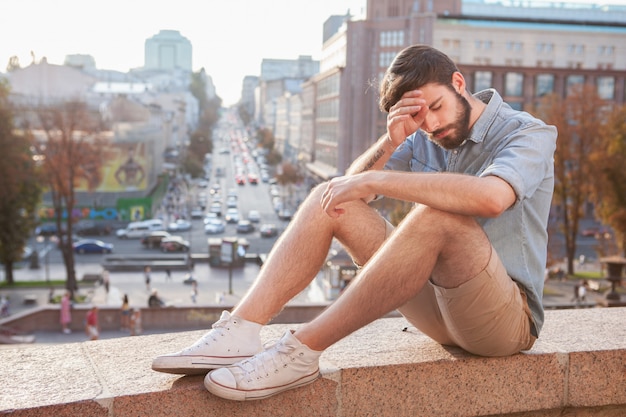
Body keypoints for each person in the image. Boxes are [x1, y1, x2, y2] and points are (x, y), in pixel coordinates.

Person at [152, 44, 557, 402]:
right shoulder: (422, 135)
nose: (432, 125)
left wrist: (379, 179)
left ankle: (299, 353)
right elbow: (351, 192)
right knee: (329, 199)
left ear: (458, 82)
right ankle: (240, 331)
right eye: (421, 116)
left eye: (436, 107)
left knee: (438, 218)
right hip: (438, 308)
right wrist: (391, 143)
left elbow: (491, 198)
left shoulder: (527, 133)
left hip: (503, 324)